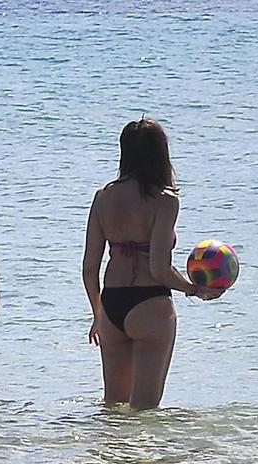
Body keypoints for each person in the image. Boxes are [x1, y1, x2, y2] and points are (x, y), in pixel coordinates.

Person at [82, 118, 219, 409]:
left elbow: (89, 268)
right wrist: (194, 289)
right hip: (150, 305)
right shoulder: (164, 200)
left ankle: (112, 454)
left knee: (113, 408)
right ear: (161, 154)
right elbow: (159, 268)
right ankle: (144, 455)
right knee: (145, 412)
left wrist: (98, 313)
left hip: (111, 304)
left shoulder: (103, 197)